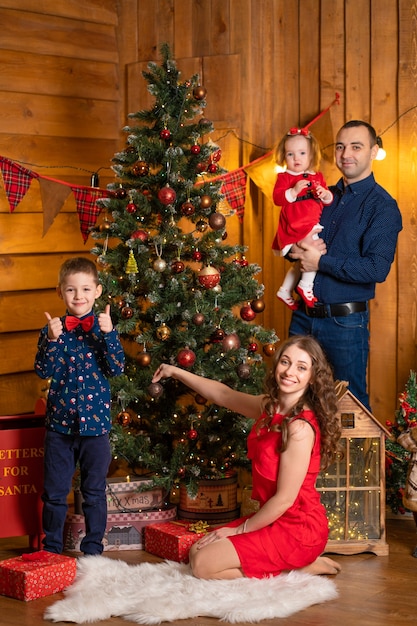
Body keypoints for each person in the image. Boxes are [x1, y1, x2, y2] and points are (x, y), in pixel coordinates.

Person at [152, 335, 342, 580]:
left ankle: (299, 565)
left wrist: (240, 530)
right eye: (285, 362)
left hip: (298, 528)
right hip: (274, 519)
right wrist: (176, 372)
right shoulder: (270, 408)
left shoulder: (299, 429)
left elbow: (284, 500)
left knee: (203, 566)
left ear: (313, 377)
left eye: (301, 367)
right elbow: (224, 395)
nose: (289, 372)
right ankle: (289, 565)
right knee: (197, 549)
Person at [288, 120, 402, 411]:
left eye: (356, 146)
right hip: (302, 317)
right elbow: (293, 229)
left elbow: (376, 269)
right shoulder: (320, 194)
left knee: (349, 407)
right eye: (340, 146)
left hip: (345, 324)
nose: (345, 153)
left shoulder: (383, 206)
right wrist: (295, 251)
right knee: (295, 402)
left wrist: (321, 262)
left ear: (374, 152)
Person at [27, 257, 125, 559]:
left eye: (85, 289)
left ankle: (93, 552)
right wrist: (54, 341)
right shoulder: (53, 331)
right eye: (71, 290)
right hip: (60, 428)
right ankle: (52, 551)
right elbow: (43, 371)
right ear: (61, 293)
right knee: (55, 494)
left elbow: (117, 368)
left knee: (95, 493)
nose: (78, 296)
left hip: (96, 430)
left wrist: (109, 336)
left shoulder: (105, 329)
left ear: (97, 291)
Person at [272, 127, 333, 310]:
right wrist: (293, 191)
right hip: (298, 223)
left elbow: (328, 200)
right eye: (290, 154)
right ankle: (305, 286)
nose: (296, 158)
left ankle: (285, 289)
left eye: (302, 153)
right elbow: (277, 198)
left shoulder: (317, 176)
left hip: (311, 222)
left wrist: (325, 194)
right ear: (284, 156)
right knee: (315, 252)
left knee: (303, 260)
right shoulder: (284, 177)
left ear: (311, 155)